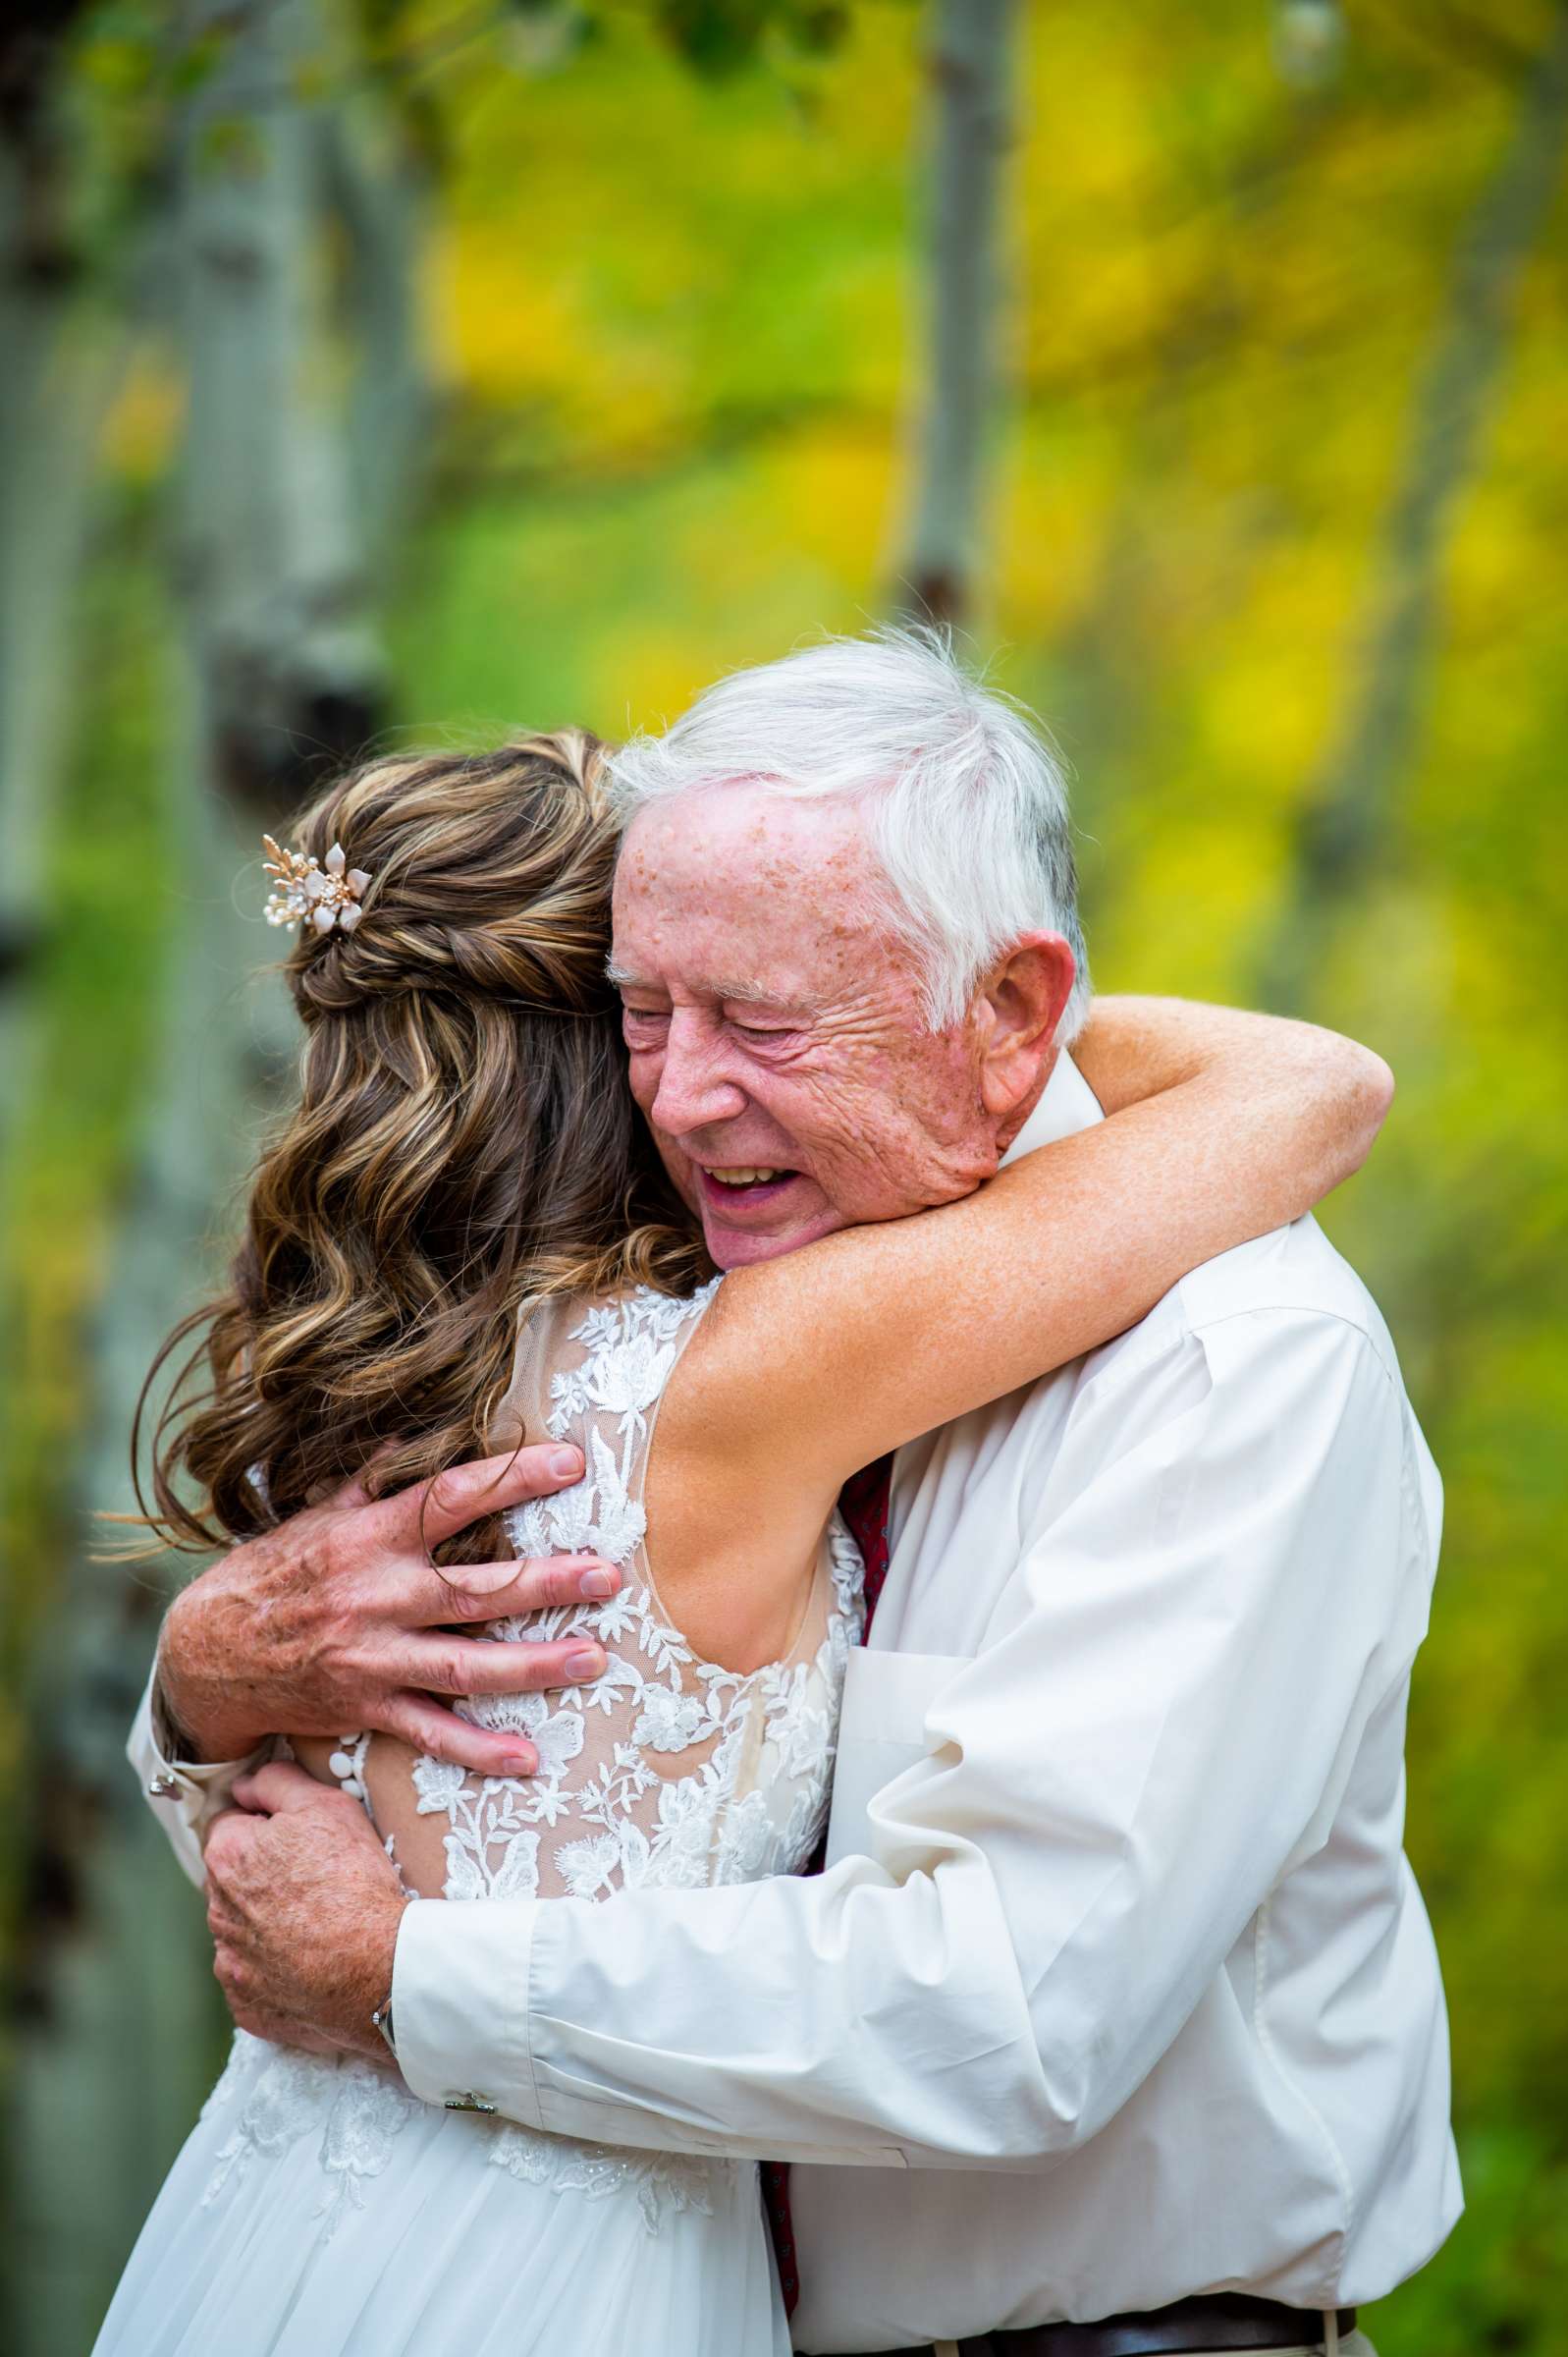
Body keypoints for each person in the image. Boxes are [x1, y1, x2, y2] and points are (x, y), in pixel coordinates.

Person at [122, 633, 1456, 2357]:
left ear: (1006, 1010)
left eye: (758, 1021)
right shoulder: (682, 1317)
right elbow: (355, 1846)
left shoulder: (1227, 1364)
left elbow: (1014, 2008)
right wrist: (207, 1683)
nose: (680, 1096)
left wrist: (406, 1977)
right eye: (641, 1011)